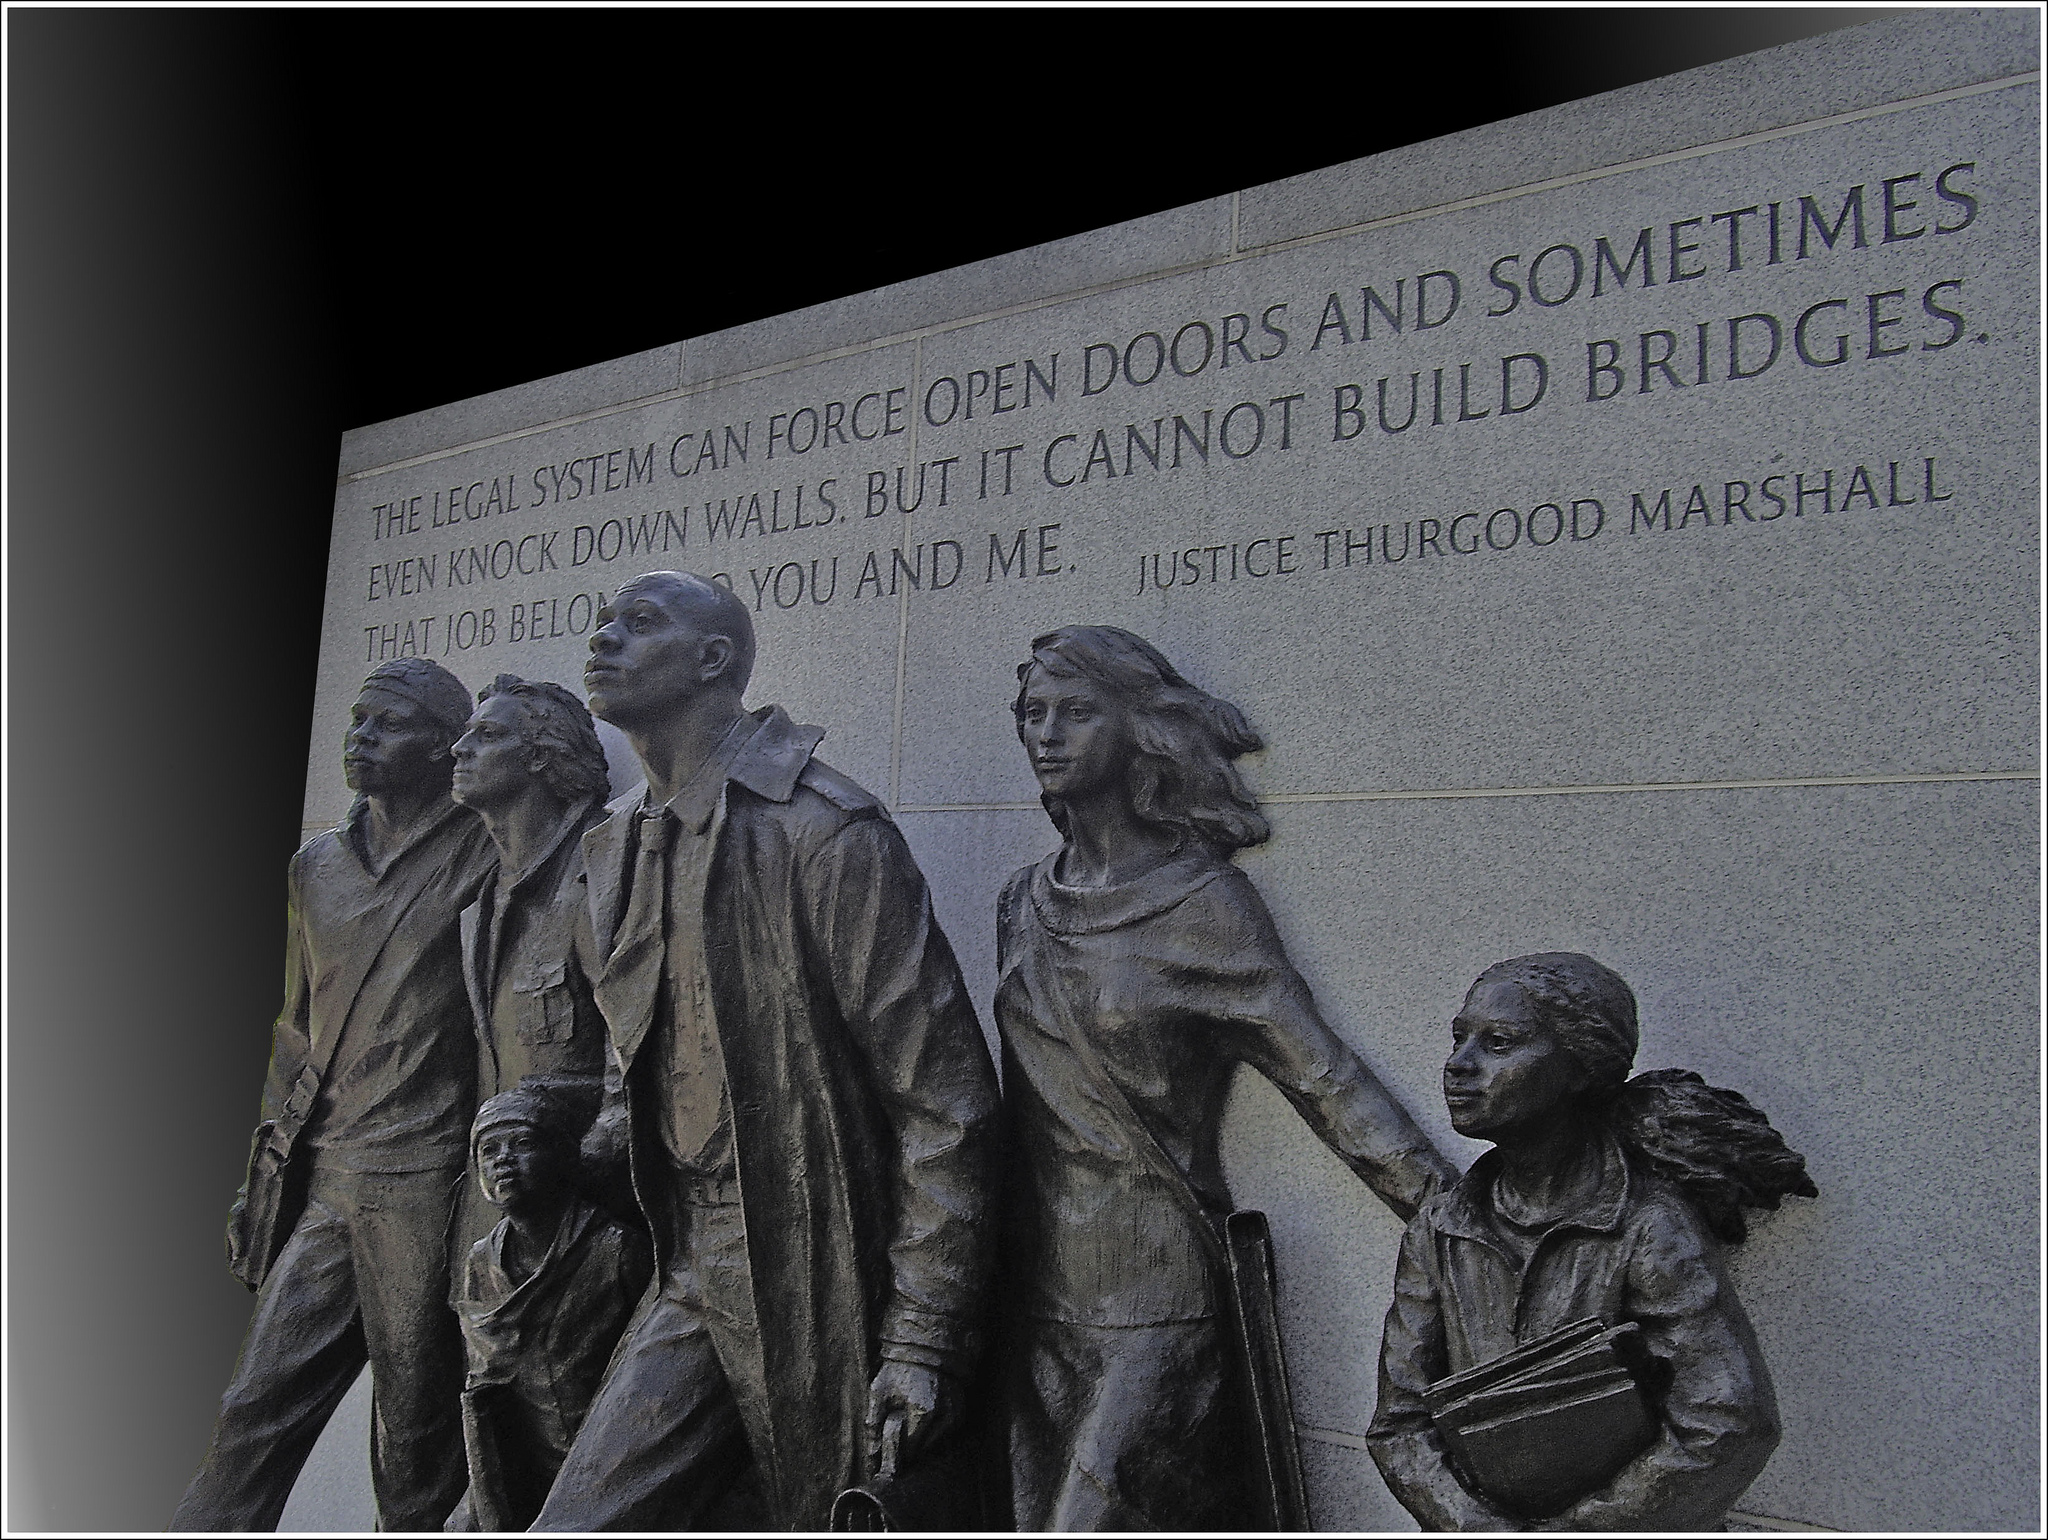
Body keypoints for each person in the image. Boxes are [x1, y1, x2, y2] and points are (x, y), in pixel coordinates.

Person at [531, 571, 1001, 1531]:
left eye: (640, 623)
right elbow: (640, 1083)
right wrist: (551, 1139)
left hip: (817, 1261)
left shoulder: (826, 831)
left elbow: (946, 1103)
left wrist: (924, 1337)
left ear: (714, 661)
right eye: (603, 622)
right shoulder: (612, 848)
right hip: (685, 1264)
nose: (604, 639)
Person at [996, 625, 1456, 1531]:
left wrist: (1466, 1218)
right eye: (1032, 714)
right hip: (1031, 1293)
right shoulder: (1022, 899)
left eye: (1078, 713)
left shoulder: (1206, 904)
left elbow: (1328, 1082)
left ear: (1142, 734)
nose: (1047, 734)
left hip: (1157, 1293)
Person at [172, 658, 496, 1532]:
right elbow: (296, 1028)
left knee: (416, 1443)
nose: (361, 739)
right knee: (251, 1413)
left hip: (428, 1183)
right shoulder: (316, 866)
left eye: (387, 724)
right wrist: (263, 1173)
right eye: (357, 722)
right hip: (328, 1177)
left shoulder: (489, 847)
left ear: (444, 746)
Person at [1366, 952, 1816, 1531]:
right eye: (1460, 1039)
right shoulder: (1439, 1227)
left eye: (1500, 1043)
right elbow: (1398, 1425)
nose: (1459, 1064)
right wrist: (1472, 1524)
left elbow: (1728, 1420)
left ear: (1581, 1067)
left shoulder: (1647, 1224)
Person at [449, 1082, 653, 1533]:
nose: (503, 1160)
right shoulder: (481, 1265)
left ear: (562, 1155)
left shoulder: (617, 1250)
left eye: (522, 1144)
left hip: (612, 1460)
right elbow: (485, 1387)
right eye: (489, 1150)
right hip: (527, 1468)